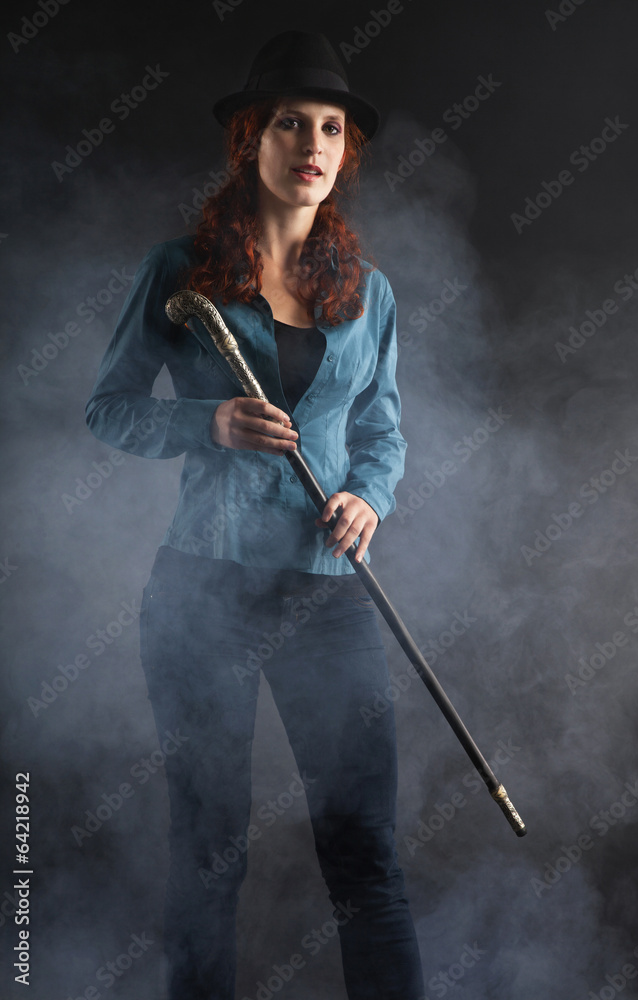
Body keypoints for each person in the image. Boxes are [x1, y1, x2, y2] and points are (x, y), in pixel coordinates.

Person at [86, 29, 425, 1000]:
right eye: (288, 123)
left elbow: (382, 433)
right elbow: (108, 409)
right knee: (208, 852)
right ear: (250, 139)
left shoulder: (368, 292)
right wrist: (207, 422)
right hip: (205, 590)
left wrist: (369, 497)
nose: (312, 144)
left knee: (365, 853)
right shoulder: (178, 269)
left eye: (331, 128)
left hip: (328, 593)